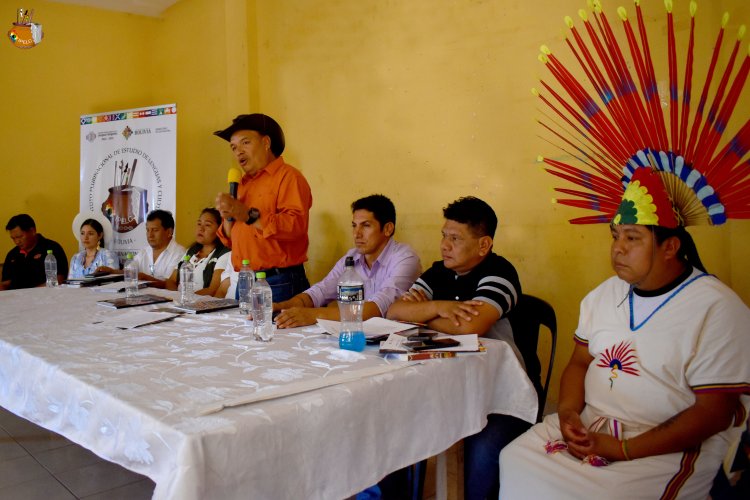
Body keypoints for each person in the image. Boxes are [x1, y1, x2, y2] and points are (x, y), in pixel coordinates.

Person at [499, 169, 750, 499]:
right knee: (515, 458)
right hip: (594, 425)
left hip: (663, 445)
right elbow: (578, 363)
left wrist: (624, 449)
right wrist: (569, 413)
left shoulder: (717, 308)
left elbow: (713, 413)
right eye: (615, 235)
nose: (617, 248)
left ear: (670, 246)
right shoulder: (603, 295)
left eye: (632, 238)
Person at [386, 196, 530, 500]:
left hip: (498, 394)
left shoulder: (499, 273)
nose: (444, 246)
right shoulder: (439, 272)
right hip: (440, 384)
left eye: (455, 238)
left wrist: (425, 315)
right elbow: (395, 312)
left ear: (483, 244)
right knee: (394, 431)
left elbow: (467, 328)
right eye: (443, 236)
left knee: (482, 460)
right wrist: (441, 308)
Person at [273, 194, 422, 328]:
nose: (357, 234)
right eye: (354, 226)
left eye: (366, 225)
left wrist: (313, 315)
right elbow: (321, 291)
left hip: (394, 342)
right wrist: (282, 307)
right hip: (358, 334)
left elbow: (377, 308)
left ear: (388, 229)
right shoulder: (352, 257)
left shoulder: (405, 258)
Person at [214, 113, 313, 302]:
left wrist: (248, 215)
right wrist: (228, 216)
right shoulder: (242, 184)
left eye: (245, 143)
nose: (238, 152)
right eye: (233, 147)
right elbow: (231, 241)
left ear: (266, 142)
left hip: (278, 281)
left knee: (276, 332)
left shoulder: (289, 177)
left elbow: (295, 225)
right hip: (245, 280)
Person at [96, 210, 186, 288]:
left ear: (169, 232)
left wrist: (146, 278)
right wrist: (112, 271)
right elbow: (130, 271)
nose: (150, 235)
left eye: (155, 230)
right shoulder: (144, 251)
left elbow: (171, 285)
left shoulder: (179, 253)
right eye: (148, 230)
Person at [165, 208, 231, 297]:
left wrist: (185, 299)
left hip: (200, 304)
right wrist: (175, 297)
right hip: (181, 302)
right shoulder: (191, 251)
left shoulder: (224, 254)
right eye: (199, 224)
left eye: (207, 225)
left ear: (220, 230)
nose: (201, 228)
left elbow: (213, 290)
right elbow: (171, 280)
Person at [1, 214, 68, 290]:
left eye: (20, 237)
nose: (17, 242)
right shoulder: (12, 254)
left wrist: (28, 294)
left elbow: (58, 280)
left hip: (45, 297)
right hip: (15, 298)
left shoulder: (52, 248)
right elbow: (5, 283)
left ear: (32, 231)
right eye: (13, 238)